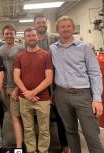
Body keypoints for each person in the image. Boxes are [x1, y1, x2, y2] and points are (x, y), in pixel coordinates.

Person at [50, 16, 104, 153]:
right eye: (62, 27)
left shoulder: (84, 48)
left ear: (73, 28)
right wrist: (53, 93)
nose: (66, 29)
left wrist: (97, 99)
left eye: (68, 26)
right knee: (70, 132)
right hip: (61, 95)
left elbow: (95, 73)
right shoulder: (53, 49)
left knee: (91, 134)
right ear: (57, 30)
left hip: (83, 95)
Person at [33, 14, 69, 153]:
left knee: (60, 114)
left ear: (47, 23)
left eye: (43, 22)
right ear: (34, 24)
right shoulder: (31, 39)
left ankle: (65, 145)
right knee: (40, 114)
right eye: (38, 22)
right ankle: (41, 145)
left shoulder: (55, 38)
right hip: (37, 82)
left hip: (56, 81)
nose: (41, 24)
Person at [14, 28, 53, 153]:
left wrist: (33, 93)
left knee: (44, 129)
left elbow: (49, 79)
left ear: (38, 37)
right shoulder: (20, 56)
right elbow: (16, 77)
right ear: (25, 39)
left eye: (33, 35)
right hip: (24, 98)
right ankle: (31, 150)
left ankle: (43, 151)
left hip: (43, 98)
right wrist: (27, 93)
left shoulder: (46, 55)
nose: (31, 38)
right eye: (28, 36)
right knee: (28, 128)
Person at [0, 24, 25, 148]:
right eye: (6, 33)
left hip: (15, 87)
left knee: (15, 117)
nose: (9, 35)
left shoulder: (21, 49)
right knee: (13, 115)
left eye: (11, 33)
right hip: (3, 88)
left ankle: (19, 146)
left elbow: (25, 70)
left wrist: (18, 88)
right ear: (3, 35)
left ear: (15, 34)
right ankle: (21, 141)